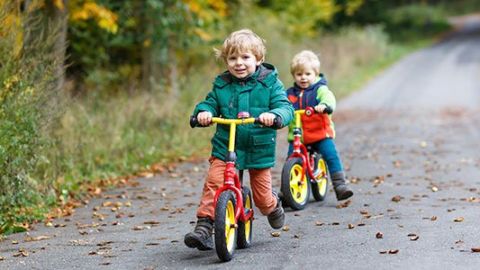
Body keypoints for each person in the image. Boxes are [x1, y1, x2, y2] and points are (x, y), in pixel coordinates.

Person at [184, 29, 294, 251]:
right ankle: (204, 227)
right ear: (226, 61)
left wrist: (275, 116)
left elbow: (285, 107)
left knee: (262, 199)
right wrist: (203, 113)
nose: (239, 63)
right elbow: (209, 103)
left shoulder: (269, 83)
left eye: (245, 57)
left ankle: (273, 206)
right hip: (226, 146)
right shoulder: (222, 84)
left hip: (258, 148)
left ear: (259, 59)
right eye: (232, 58)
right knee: (215, 183)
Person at [286, 50, 353, 201]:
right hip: (299, 137)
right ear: (294, 76)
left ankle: (339, 185)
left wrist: (324, 105)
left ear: (315, 74)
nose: (303, 77)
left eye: (307, 74)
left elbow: (328, 98)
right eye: (299, 74)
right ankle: (288, 188)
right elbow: (280, 103)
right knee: (290, 159)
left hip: (320, 134)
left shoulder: (320, 89)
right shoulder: (290, 94)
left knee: (331, 155)